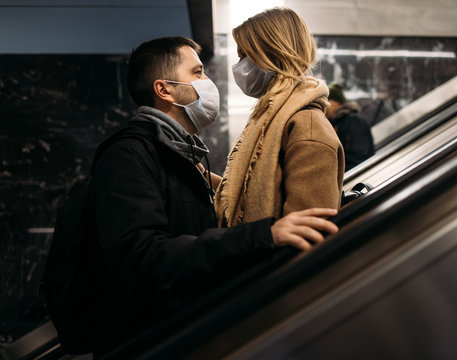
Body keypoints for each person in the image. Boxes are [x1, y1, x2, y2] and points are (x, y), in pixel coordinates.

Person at [85, 36, 339, 355]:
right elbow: (143, 259)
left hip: (184, 332)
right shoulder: (128, 157)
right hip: (155, 343)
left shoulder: (177, 156)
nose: (208, 82)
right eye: (197, 72)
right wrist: (262, 235)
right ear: (164, 90)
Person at [213, 7, 345, 228]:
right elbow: (247, 190)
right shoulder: (268, 118)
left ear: (272, 53)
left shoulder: (307, 127)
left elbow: (306, 233)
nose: (239, 66)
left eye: (245, 55)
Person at [326, 82, 375, 171]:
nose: (324, 106)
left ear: (338, 102)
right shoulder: (335, 123)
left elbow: (359, 157)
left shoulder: (354, 121)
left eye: (327, 101)